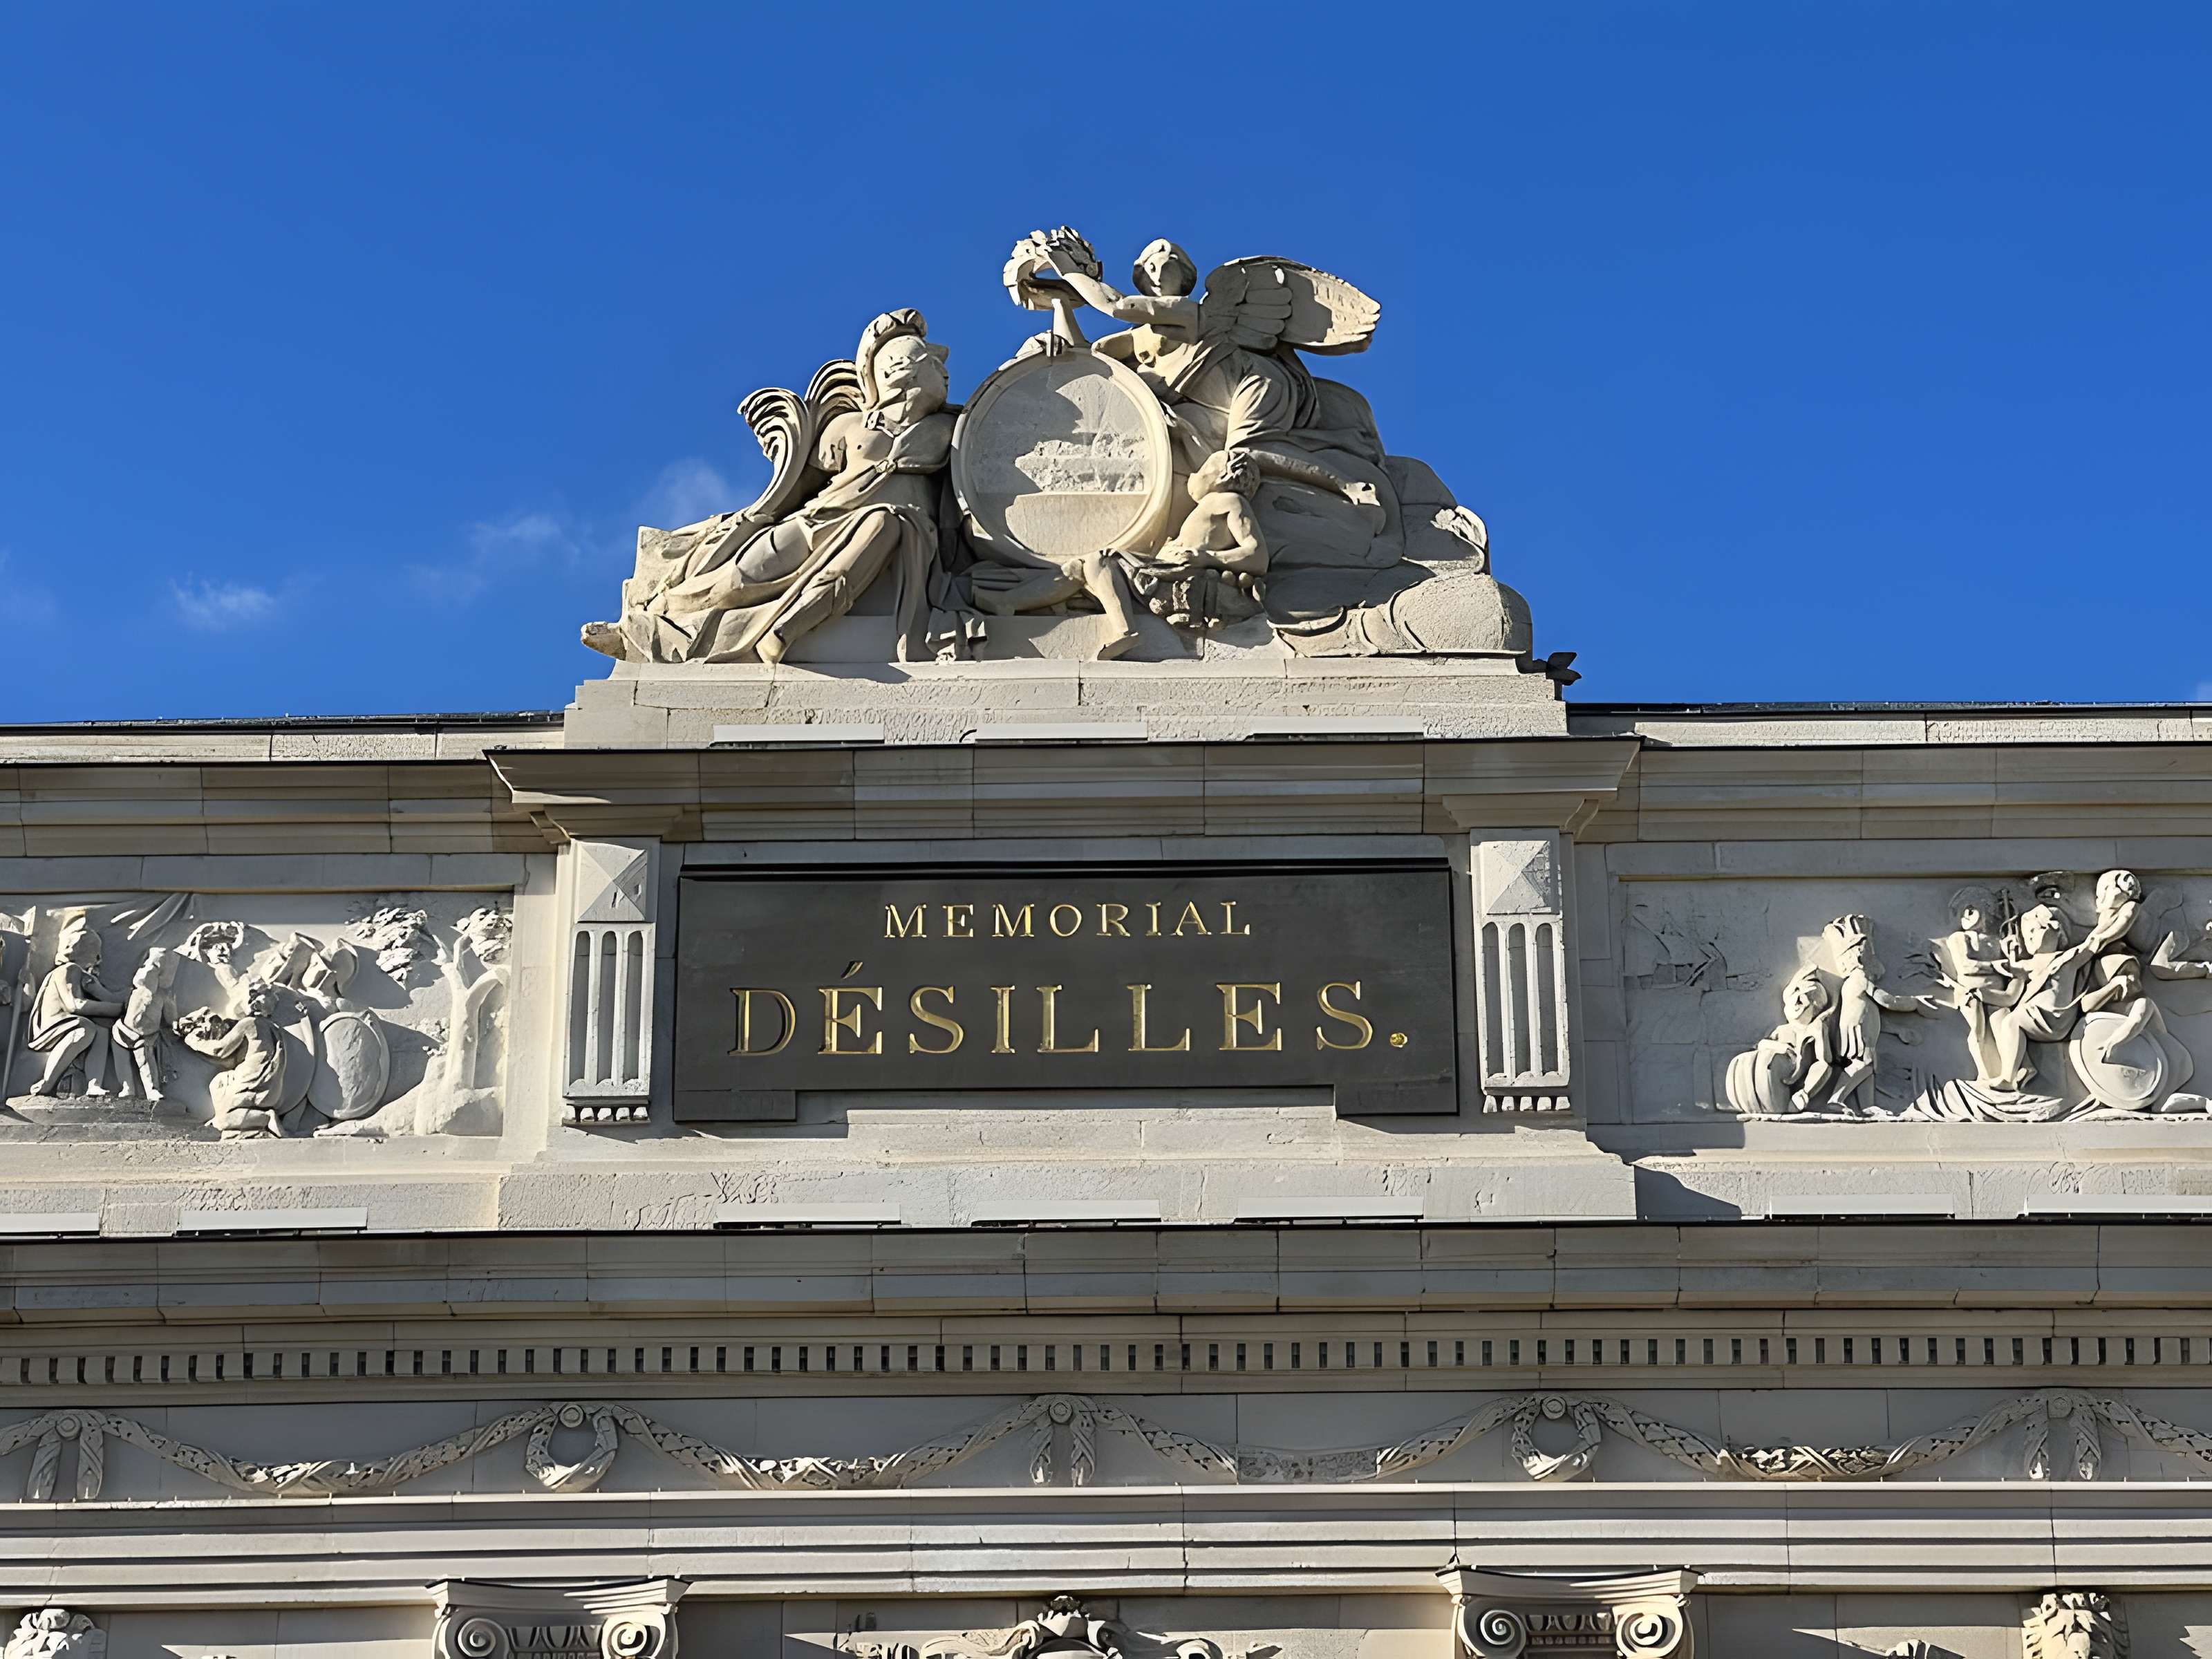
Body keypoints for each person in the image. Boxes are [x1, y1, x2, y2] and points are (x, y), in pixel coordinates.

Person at [584, 310, 957, 666]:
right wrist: (747, 522)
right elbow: (799, 486)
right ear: (898, 370)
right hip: (818, 520)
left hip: (890, 527)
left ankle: (788, 625)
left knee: (883, 521)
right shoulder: (849, 426)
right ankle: (645, 629)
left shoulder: (953, 429)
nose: (945, 371)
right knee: (735, 581)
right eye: (933, 362)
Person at [24, 918, 128, 1098]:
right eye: (96, 952)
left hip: (67, 1022)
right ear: (80, 950)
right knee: (85, 1029)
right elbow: (75, 1005)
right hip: (53, 1024)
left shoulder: (82, 975)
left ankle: (94, 1084)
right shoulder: (69, 969)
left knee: (102, 1030)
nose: (99, 958)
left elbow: (105, 996)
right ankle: (47, 1082)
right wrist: (117, 1009)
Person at [113, 946, 178, 1104]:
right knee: (121, 1061)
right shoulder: (135, 990)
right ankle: (127, 1087)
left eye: (157, 971)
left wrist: (175, 1022)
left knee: (146, 1062)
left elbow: (170, 1019)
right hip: (122, 1031)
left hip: (144, 1036)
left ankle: (152, 1089)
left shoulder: (163, 997)